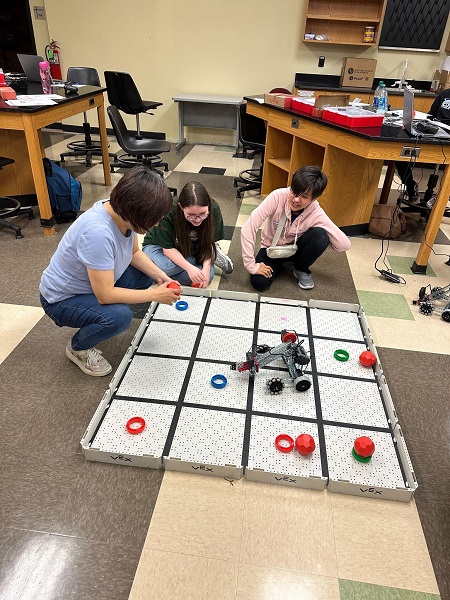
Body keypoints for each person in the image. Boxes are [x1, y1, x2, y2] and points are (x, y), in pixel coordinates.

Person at [39, 166, 182, 377]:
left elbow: (133, 253)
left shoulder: (120, 211)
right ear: (134, 212)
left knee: (147, 273)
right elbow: (105, 295)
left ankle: (97, 314)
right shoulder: (98, 233)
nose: (157, 224)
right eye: (153, 219)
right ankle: (78, 348)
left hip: (92, 284)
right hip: (60, 300)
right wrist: (155, 295)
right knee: (119, 317)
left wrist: (160, 276)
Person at [241, 165, 351, 292]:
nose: (296, 199)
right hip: (271, 250)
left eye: (304, 196)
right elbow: (248, 228)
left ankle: (300, 268)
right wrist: (251, 265)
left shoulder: (315, 211)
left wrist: (320, 243)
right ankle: (283, 266)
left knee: (321, 236)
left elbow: (344, 244)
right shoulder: (277, 197)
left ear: (314, 198)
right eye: (294, 192)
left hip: (295, 251)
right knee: (259, 283)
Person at [142, 181, 233, 288]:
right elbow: (168, 249)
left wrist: (206, 268)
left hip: (196, 247)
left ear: (208, 206)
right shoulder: (169, 210)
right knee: (165, 267)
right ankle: (199, 257)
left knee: (207, 276)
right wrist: (190, 268)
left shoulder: (214, 209)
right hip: (159, 246)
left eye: (203, 214)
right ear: (181, 207)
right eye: (191, 215)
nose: (198, 220)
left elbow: (208, 242)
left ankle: (152, 274)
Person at [397, 88, 450, 203]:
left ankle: (443, 199)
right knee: (399, 150)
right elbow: (431, 115)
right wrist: (418, 124)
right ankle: (411, 187)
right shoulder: (445, 94)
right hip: (435, 132)